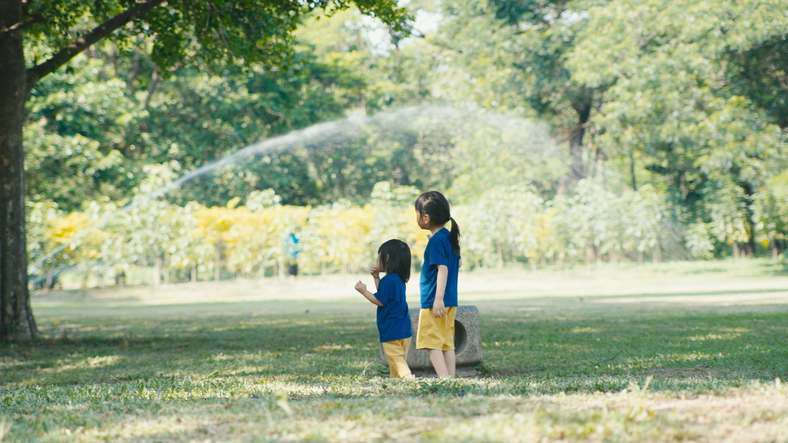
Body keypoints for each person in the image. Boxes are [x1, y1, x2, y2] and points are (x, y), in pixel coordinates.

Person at [414, 191, 462, 377]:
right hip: (450, 301)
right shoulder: (447, 237)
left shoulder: (436, 242)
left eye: (416, 213)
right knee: (446, 343)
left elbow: (443, 269)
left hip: (435, 301)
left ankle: (444, 379)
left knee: (431, 343)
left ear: (426, 218)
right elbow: (457, 263)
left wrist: (437, 299)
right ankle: (451, 379)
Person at [354, 239, 415, 379]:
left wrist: (364, 291)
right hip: (404, 328)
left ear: (386, 258)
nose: (376, 260)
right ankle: (396, 381)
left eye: (378, 256)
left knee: (396, 359)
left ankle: (407, 377)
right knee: (397, 360)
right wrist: (376, 278)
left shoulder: (388, 280)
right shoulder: (398, 279)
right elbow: (385, 296)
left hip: (391, 328)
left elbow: (380, 300)